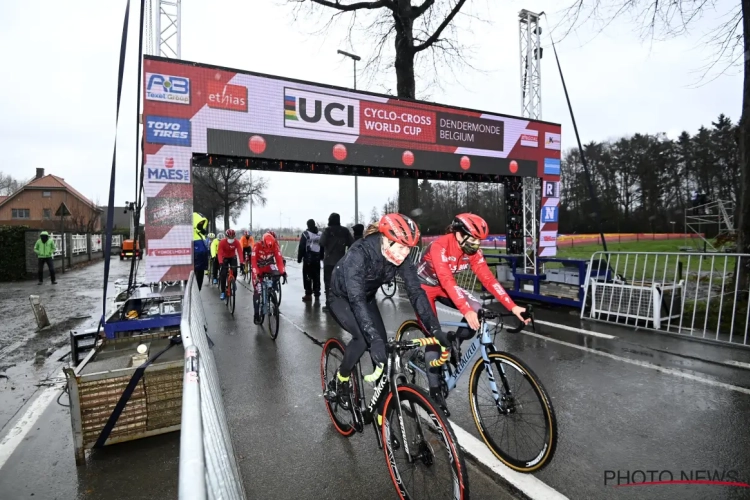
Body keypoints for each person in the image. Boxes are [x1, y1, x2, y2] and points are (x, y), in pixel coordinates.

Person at [328, 213, 450, 407]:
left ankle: (382, 404)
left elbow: (416, 293)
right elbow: (355, 298)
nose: (404, 253)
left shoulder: (401, 256)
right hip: (342, 297)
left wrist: (434, 329)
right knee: (363, 339)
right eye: (401, 247)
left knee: (383, 348)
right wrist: (372, 338)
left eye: (409, 248)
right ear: (386, 239)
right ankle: (340, 380)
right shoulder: (359, 253)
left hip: (365, 297)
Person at [416, 213, 529, 413]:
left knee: (479, 311)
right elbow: (447, 280)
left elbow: (489, 280)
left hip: (444, 287)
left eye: (480, 240)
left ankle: (455, 342)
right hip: (423, 288)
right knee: (433, 336)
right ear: (458, 234)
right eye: (474, 238)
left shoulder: (472, 251)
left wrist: (512, 307)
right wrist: (465, 310)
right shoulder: (440, 246)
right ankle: (434, 392)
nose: (477, 243)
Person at [319, 212, 354, 312]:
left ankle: (329, 305)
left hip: (329, 262)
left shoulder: (327, 231)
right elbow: (351, 244)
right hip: (341, 262)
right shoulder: (345, 231)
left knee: (328, 284)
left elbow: (321, 243)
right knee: (340, 283)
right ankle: (340, 304)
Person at [251, 232, 287, 324]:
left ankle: (272, 293)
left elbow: (279, 259)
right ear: (263, 242)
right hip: (258, 267)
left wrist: (283, 272)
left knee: (276, 274)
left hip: (269, 265)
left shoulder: (275, 245)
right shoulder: (257, 245)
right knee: (258, 289)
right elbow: (253, 262)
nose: (268, 249)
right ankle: (256, 314)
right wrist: (257, 274)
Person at [298, 219, 322, 302]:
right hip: (317, 258)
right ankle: (317, 292)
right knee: (316, 275)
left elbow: (301, 247)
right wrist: (321, 256)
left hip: (308, 259)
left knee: (307, 276)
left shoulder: (305, 234)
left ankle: (308, 294)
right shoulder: (320, 234)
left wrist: (299, 258)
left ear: (308, 225)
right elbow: (322, 246)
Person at [217, 229, 244, 300]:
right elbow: (219, 253)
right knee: (223, 274)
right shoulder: (222, 242)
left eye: (233, 237)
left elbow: (240, 252)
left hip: (232, 257)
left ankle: (233, 282)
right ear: (226, 236)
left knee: (235, 270)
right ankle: (223, 292)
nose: (231, 239)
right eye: (229, 237)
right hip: (224, 257)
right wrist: (220, 262)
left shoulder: (236, 242)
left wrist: (241, 263)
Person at [193, 213, 210, 290]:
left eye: (202, 223)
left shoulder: (200, 233)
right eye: (199, 222)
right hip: (196, 262)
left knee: (199, 282)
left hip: (201, 263)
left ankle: (197, 291)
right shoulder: (192, 233)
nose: (201, 224)